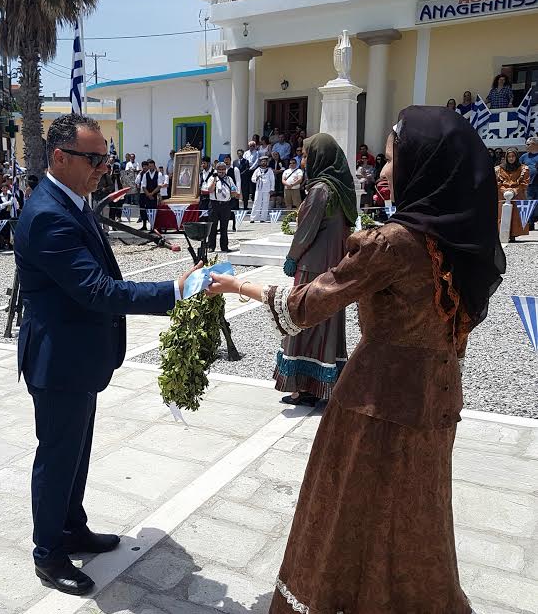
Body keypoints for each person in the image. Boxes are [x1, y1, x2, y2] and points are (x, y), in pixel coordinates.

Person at [209, 106, 504, 614]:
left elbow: (305, 306)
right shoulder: (457, 243)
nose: (384, 170)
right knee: (416, 515)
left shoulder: (393, 244)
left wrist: (238, 285)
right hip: (436, 400)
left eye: (392, 158)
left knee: (351, 511)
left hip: (375, 403)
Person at [14, 113, 198, 596]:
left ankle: (71, 528)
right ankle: (48, 553)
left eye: (106, 158)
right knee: (58, 457)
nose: (103, 168)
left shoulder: (72, 202)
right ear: (60, 157)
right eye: (94, 159)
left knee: (76, 453)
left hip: (79, 357)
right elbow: (96, 290)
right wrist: (174, 291)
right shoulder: (48, 214)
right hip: (59, 361)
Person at [279, 133, 357, 405]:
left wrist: (292, 257)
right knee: (326, 325)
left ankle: (301, 387)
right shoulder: (341, 189)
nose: (303, 160)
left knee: (302, 320)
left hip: (312, 268)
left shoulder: (320, 190)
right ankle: (322, 387)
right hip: (333, 267)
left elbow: (306, 230)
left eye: (306, 155)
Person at [496, 147, 530, 241]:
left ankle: (513, 235)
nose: (511, 158)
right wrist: (504, 191)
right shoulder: (499, 169)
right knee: (502, 214)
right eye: (509, 156)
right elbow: (497, 183)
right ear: (506, 157)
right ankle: (503, 234)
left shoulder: (523, 169)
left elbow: (524, 183)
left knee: (515, 215)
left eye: (513, 156)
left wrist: (514, 191)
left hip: (517, 194)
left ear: (516, 157)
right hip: (503, 195)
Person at [206, 160, 239, 252]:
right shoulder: (212, 178)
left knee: (224, 226)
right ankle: (211, 246)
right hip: (214, 204)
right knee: (213, 226)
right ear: (216, 170)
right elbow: (210, 190)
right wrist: (215, 180)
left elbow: (234, 191)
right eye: (219, 170)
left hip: (226, 205)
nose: (221, 171)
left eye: (223, 169)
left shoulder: (229, 179)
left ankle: (224, 246)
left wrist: (233, 193)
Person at [250, 156, 274, 222]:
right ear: (260, 162)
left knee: (265, 203)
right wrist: (256, 178)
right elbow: (252, 179)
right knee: (256, 202)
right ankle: (253, 218)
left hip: (267, 189)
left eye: (265, 161)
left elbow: (272, 180)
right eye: (262, 161)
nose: (263, 162)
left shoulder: (269, 170)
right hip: (259, 189)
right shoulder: (257, 170)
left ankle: (263, 218)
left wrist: (272, 189)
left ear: (267, 162)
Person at [139, 159, 161, 231]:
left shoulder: (159, 174)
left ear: (154, 166)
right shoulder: (145, 174)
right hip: (147, 195)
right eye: (149, 166)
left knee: (155, 211)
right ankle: (147, 226)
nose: (151, 167)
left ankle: (153, 227)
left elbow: (159, 186)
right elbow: (143, 186)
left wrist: (152, 193)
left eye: (152, 166)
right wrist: (148, 194)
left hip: (155, 195)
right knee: (148, 211)